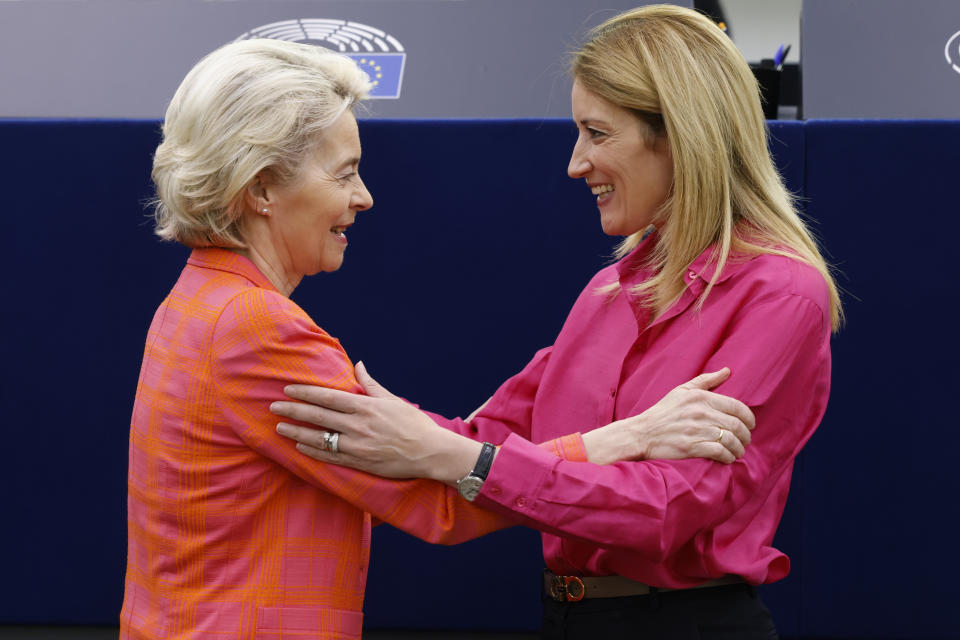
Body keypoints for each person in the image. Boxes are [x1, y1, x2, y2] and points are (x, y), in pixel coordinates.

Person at [120, 37, 756, 640]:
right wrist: (633, 435)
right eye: (344, 174)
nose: (364, 198)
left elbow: (424, 454)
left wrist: (436, 438)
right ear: (260, 188)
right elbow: (441, 504)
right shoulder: (257, 329)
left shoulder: (198, 300)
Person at [271, 5, 841, 639]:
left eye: (597, 133)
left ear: (679, 135)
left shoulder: (782, 295)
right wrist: (338, 412)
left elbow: (669, 509)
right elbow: (485, 433)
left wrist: (464, 458)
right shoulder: (607, 292)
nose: (576, 163)